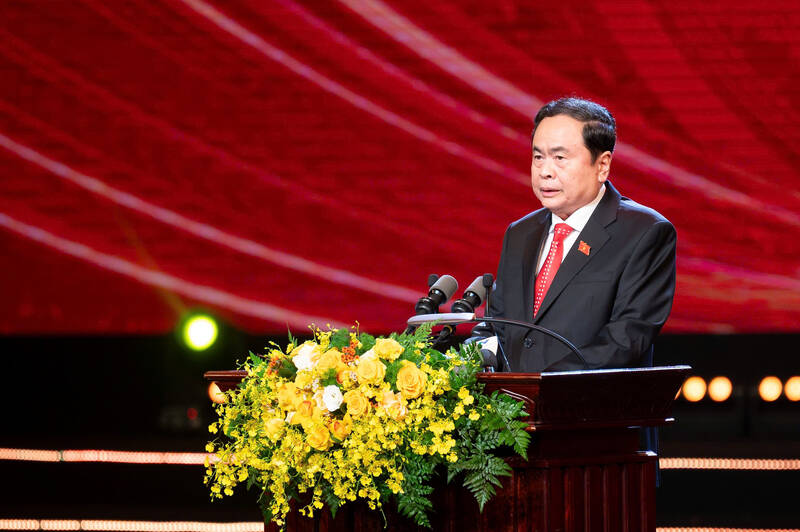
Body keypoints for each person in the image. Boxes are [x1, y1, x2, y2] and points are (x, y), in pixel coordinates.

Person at [471, 97, 676, 373]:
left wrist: (541, 383)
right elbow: (497, 326)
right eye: (538, 157)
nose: (545, 172)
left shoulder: (644, 232)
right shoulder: (520, 233)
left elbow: (625, 340)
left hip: (590, 399)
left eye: (560, 158)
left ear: (602, 165)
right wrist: (468, 364)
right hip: (514, 400)